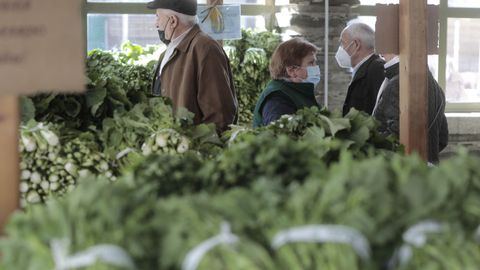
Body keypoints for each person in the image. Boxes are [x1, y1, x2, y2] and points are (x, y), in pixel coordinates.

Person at [148, 0, 238, 133]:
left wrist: (201, 147)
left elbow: (220, 115)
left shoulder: (206, 50)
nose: (155, 24)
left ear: (172, 21)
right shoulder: (170, 50)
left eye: (158, 17)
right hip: (171, 145)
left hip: (190, 148)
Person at [373, 54, 449, 163]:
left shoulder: (396, 84)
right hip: (428, 169)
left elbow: (394, 140)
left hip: (402, 170)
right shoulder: (436, 87)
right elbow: (442, 138)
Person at [253, 38, 321, 127]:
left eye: (315, 62)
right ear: (291, 71)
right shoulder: (277, 99)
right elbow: (279, 136)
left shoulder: (295, 90)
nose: (316, 67)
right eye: (311, 63)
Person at [336, 22, 385, 116]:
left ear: (356, 44)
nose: (341, 49)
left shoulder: (377, 70)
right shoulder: (366, 68)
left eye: (342, 43)